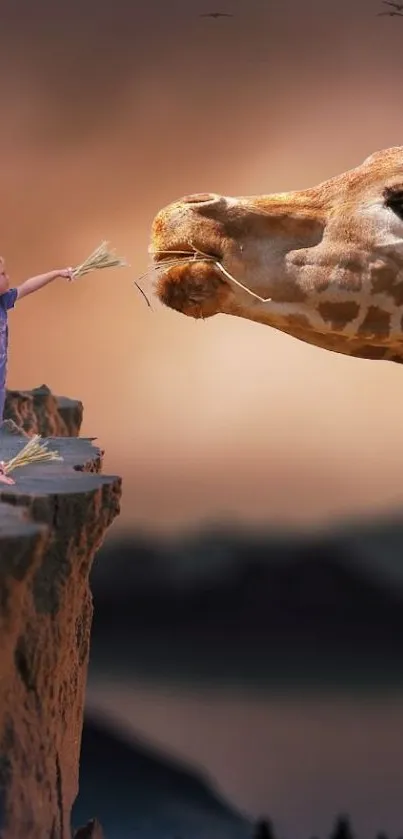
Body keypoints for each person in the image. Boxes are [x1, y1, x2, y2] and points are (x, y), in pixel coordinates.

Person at [0, 257, 74, 485]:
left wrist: (57, 272)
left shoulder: (3, 301)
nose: (7, 277)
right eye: (2, 274)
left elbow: (27, 286)